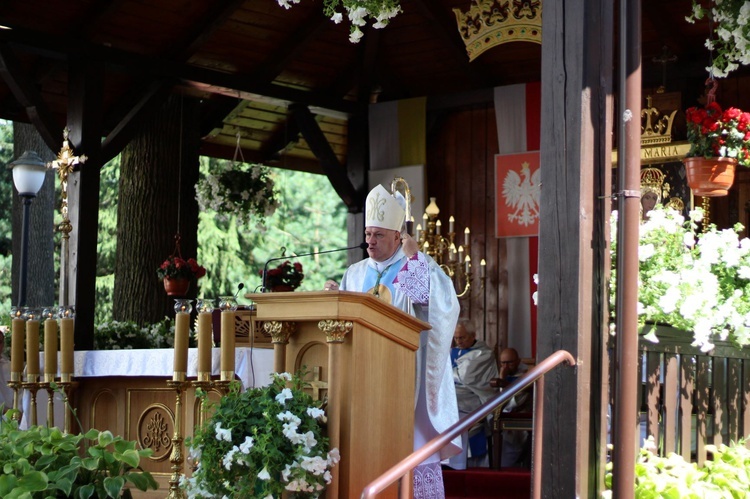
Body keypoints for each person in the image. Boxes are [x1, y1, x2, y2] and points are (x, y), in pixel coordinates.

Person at [325, 184, 460, 499]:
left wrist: (415, 260)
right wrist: (335, 301)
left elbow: (435, 307)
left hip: (402, 376)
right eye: (368, 234)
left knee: (406, 445)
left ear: (398, 237)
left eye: (378, 235)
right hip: (362, 378)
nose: (369, 241)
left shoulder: (417, 265)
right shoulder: (355, 273)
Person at [447, 319, 498, 470]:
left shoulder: (483, 353)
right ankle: (442, 459)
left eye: (462, 337)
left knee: (452, 407)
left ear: (473, 335)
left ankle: (456, 463)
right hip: (456, 393)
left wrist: (446, 373)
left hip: (475, 396)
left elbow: (466, 376)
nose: (458, 341)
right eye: (456, 338)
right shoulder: (452, 351)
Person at [492, 347, 532, 468]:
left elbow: (511, 403)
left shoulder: (526, 374)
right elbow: (494, 399)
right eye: (503, 363)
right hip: (502, 416)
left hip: (521, 414)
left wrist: (503, 381)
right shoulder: (498, 374)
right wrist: (502, 379)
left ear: (518, 361)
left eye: (510, 362)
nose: (506, 366)